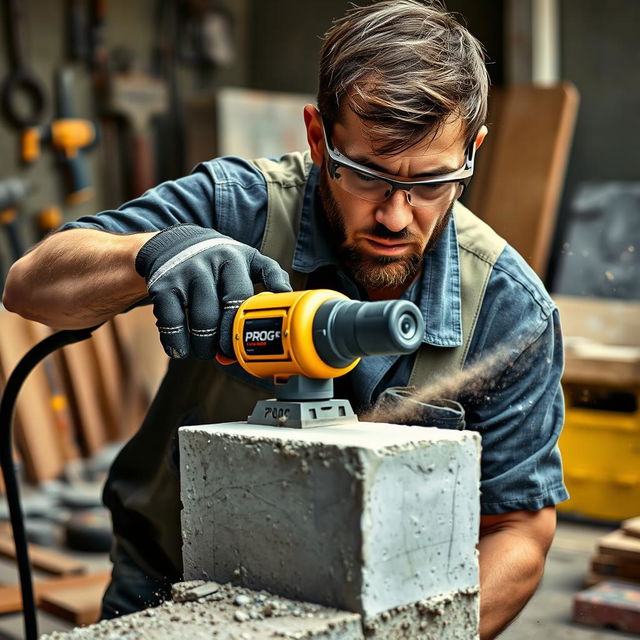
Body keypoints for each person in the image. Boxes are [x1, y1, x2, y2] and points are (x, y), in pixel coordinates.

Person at [3, 1, 567, 638]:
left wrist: (411, 630)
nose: (395, 216)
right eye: (367, 174)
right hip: (171, 587)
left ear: (473, 150)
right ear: (319, 135)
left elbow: (519, 531)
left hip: (391, 606)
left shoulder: (508, 308)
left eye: (433, 182)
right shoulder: (240, 207)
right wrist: (151, 253)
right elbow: (31, 284)